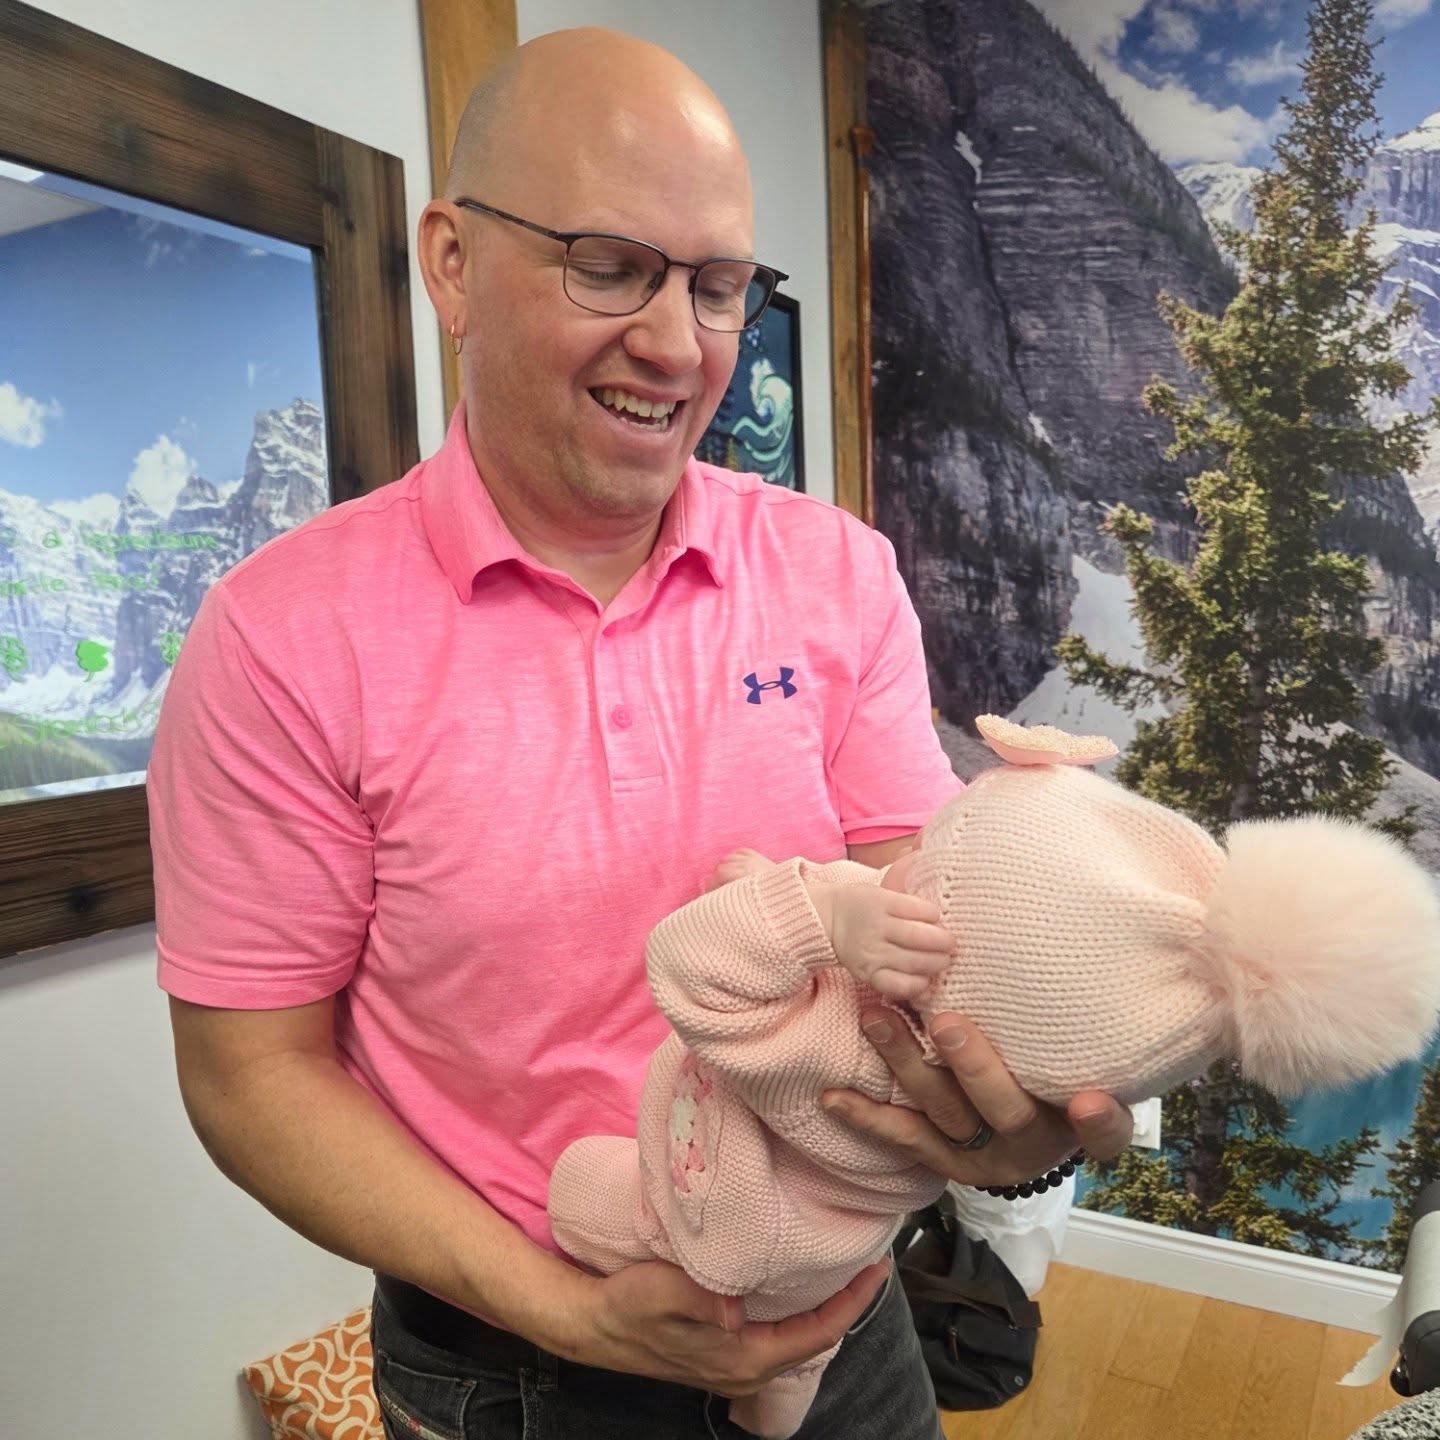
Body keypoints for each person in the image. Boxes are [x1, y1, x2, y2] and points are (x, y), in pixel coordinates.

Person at [147, 27, 1133, 1440]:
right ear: (451, 264)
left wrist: (1016, 1120)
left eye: (718, 286)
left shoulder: (836, 572)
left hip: (847, 1323)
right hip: (512, 1366)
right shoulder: (282, 638)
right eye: (609, 266)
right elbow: (251, 1077)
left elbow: (929, 923)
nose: (675, 345)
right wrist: (561, 1308)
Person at [548, 715, 1440, 1438]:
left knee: (588, 1189)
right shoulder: (939, 1044)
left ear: (940, 987)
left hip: (720, 1220)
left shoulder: (843, 1045)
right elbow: (869, 908)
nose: (897, 870)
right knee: (802, 1332)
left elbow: (694, 974)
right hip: (834, 1261)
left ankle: (649, 1251)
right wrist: (810, 898)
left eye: (924, 877)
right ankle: (787, 1387)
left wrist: (809, 914)